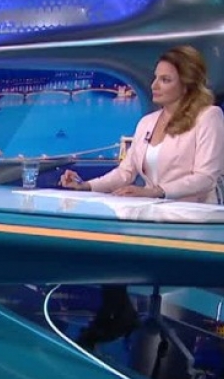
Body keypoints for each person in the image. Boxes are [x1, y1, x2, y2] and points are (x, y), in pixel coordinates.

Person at [59, 45, 224, 349]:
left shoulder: (208, 117)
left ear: (186, 84)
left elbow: (206, 177)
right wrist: (86, 186)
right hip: (154, 214)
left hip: (193, 220)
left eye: (165, 80)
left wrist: (156, 191)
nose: (154, 85)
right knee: (100, 232)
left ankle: (118, 313)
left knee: (117, 241)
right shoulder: (147, 122)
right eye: (155, 77)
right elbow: (125, 173)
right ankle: (117, 309)